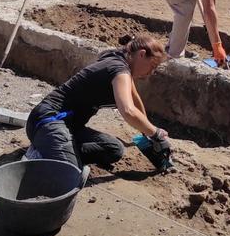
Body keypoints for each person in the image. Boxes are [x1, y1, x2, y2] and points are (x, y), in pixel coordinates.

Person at [25, 34, 170, 168]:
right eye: (152, 66)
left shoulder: (121, 60)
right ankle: (43, 155)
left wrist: (146, 130)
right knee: (69, 174)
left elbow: (134, 98)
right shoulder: (119, 69)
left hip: (69, 126)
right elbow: (128, 110)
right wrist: (155, 133)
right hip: (48, 120)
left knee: (114, 150)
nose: (150, 73)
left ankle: (53, 150)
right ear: (142, 54)